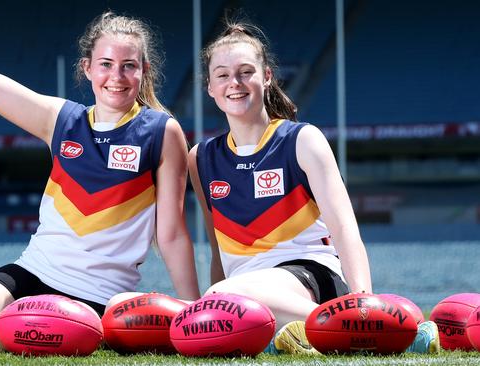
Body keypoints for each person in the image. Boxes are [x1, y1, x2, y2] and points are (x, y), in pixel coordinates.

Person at [0, 0, 200, 351]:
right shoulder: (61, 119)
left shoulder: (161, 131)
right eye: (106, 65)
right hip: (29, 274)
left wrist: (193, 311)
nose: (117, 77)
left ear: (144, 70)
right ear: (87, 68)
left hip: (96, 298)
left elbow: (171, 235)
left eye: (129, 66)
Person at [188, 20, 439, 355]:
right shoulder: (200, 158)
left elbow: (344, 227)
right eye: (222, 75)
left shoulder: (302, 139)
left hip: (310, 276)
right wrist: (217, 297)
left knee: (220, 299)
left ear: (267, 77)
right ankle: (309, 333)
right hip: (244, 291)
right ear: (210, 86)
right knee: (217, 304)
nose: (235, 83)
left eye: (246, 72)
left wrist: (361, 302)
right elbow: (218, 248)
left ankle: (375, 328)